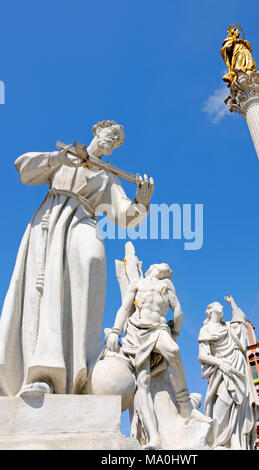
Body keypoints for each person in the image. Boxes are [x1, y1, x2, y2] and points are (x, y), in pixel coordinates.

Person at [0, 120, 154, 397]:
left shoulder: (108, 177)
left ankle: (80, 369)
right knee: (45, 291)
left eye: (117, 140)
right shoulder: (66, 156)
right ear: (96, 131)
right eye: (111, 134)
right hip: (51, 220)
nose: (112, 140)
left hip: (84, 218)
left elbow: (125, 216)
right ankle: (43, 373)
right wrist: (60, 158)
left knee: (92, 261)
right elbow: (24, 169)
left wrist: (141, 202)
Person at [106, 263, 194, 449]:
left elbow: (177, 310)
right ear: (152, 268)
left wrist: (175, 333)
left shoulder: (166, 285)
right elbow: (124, 308)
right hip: (137, 331)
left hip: (159, 328)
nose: (167, 269)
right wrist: (115, 331)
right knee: (143, 383)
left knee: (174, 351)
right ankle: (154, 437)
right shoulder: (137, 283)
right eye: (165, 267)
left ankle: (185, 402)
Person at [197, 295, 259, 449]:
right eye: (219, 306)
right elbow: (203, 355)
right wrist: (221, 363)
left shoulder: (228, 326)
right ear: (211, 310)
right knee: (222, 406)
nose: (222, 308)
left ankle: (236, 442)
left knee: (240, 406)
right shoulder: (205, 330)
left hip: (238, 367)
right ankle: (219, 443)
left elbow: (240, 323)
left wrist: (233, 304)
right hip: (223, 371)